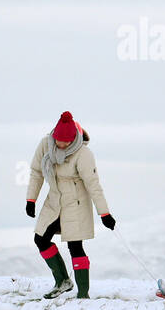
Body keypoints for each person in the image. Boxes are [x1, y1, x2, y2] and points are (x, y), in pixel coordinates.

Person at [25, 111, 116, 299]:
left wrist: (104, 213)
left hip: (76, 203)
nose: (62, 145)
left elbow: (93, 184)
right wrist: (31, 200)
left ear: (74, 138)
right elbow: (36, 172)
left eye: (66, 142)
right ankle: (63, 281)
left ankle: (83, 294)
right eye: (59, 140)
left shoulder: (83, 153)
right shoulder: (46, 144)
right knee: (40, 239)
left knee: (75, 246)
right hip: (54, 201)